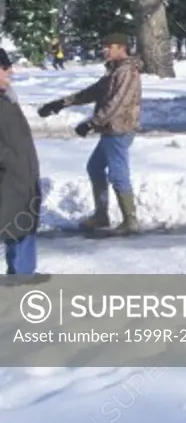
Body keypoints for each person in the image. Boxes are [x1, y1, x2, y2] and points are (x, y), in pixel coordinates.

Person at [38, 33, 142, 234]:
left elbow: (117, 104)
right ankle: (101, 215)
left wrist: (91, 124)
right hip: (110, 129)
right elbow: (93, 92)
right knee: (94, 167)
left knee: (118, 174)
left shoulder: (127, 71)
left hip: (119, 129)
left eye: (109, 46)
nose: (105, 50)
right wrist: (60, 103)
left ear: (122, 48)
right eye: (104, 46)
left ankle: (130, 221)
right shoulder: (114, 70)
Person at [0, 48, 43, 275]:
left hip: (20, 178)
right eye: (4, 67)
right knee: (17, 227)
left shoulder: (7, 98)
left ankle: (20, 278)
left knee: (20, 228)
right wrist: (8, 161)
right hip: (9, 179)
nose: (11, 71)